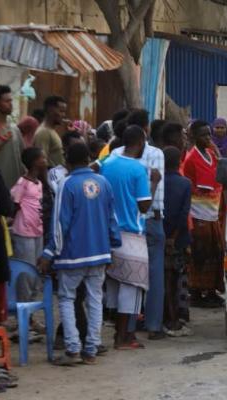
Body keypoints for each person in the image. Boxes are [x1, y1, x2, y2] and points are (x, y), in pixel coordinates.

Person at [39, 142, 121, 365]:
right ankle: (91, 350)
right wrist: (113, 246)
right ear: (88, 158)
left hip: (73, 254)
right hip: (99, 252)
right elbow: (112, 219)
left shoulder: (67, 184)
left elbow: (59, 223)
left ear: (67, 160)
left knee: (66, 298)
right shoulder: (103, 183)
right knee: (95, 300)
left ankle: (73, 348)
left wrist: (49, 252)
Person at [110, 109, 166, 340]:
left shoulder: (113, 156)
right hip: (147, 220)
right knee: (151, 276)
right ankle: (152, 326)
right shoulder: (155, 154)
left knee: (123, 277)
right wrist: (153, 183)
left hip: (116, 223)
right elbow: (150, 198)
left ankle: (126, 327)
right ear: (146, 130)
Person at [101, 125, 157, 349]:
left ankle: (118, 333)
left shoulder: (107, 163)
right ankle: (124, 336)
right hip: (131, 232)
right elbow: (144, 206)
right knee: (133, 287)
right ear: (141, 143)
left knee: (114, 284)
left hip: (109, 231)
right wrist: (154, 182)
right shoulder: (137, 169)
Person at [182, 120, 224, 307]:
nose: (208, 138)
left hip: (212, 212)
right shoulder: (192, 159)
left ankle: (211, 289)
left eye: (209, 134)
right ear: (194, 137)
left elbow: (221, 174)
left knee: (216, 252)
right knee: (202, 253)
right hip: (199, 214)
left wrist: (218, 153)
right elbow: (201, 186)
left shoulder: (210, 154)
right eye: (203, 135)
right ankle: (197, 291)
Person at [10, 148, 47, 307]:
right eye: (42, 157)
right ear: (34, 162)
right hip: (24, 232)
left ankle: (29, 309)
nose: (45, 160)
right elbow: (15, 205)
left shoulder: (39, 183)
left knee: (35, 271)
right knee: (25, 272)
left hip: (37, 231)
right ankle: (23, 311)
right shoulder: (22, 183)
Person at [162, 146, 193, 336]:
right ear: (180, 161)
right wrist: (173, 238)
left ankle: (166, 318)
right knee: (175, 280)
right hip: (178, 239)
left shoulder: (156, 181)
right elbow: (183, 215)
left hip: (160, 235)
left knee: (164, 280)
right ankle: (174, 320)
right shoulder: (185, 184)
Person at [0, 85, 26, 189]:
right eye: (7, 101)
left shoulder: (15, 129)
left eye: (11, 101)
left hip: (17, 188)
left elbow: (23, 156)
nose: (11, 104)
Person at [33, 96, 67, 168]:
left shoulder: (51, 131)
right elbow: (41, 163)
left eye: (64, 112)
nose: (63, 115)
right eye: (61, 111)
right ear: (50, 110)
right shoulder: (44, 132)